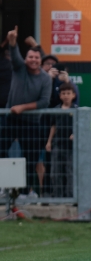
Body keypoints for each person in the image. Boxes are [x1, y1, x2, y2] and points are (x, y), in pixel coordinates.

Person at [0, 26, 51, 195]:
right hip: (11, 119)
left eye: (36, 57)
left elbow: (44, 102)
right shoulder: (19, 67)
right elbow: (14, 55)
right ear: (26, 58)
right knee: (1, 150)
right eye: (30, 56)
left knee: (31, 157)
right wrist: (12, 41)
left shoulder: (45, 78)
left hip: (31, 122)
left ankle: (25, 191)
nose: (33, 60)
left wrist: (22, 107)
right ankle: (4, 187)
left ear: (40, 59)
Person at [45, 83, 77, 198]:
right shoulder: (56, 110)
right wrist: (49, 141)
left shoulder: (77, 110)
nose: (66, 96)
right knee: (56, 172)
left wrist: (75, 134)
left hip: (71, 146)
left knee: (70, 172)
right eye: (63, 93)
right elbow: (53, 126)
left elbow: (81, 126)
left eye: (68, 93)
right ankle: (58, 196)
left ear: (73, 95)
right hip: (57, 144)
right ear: (60, 96)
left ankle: (70, 196)